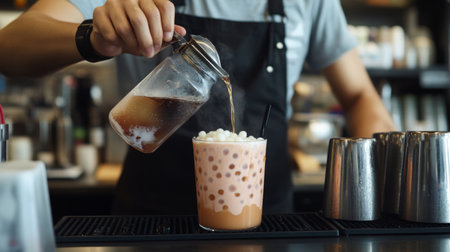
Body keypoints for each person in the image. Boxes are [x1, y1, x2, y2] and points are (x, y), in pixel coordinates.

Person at [0, 0, 396, 214]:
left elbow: (360, 96)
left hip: (270, 224)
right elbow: (9, 49)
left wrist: (386, 186)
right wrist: (90, 37)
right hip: (149, 223)